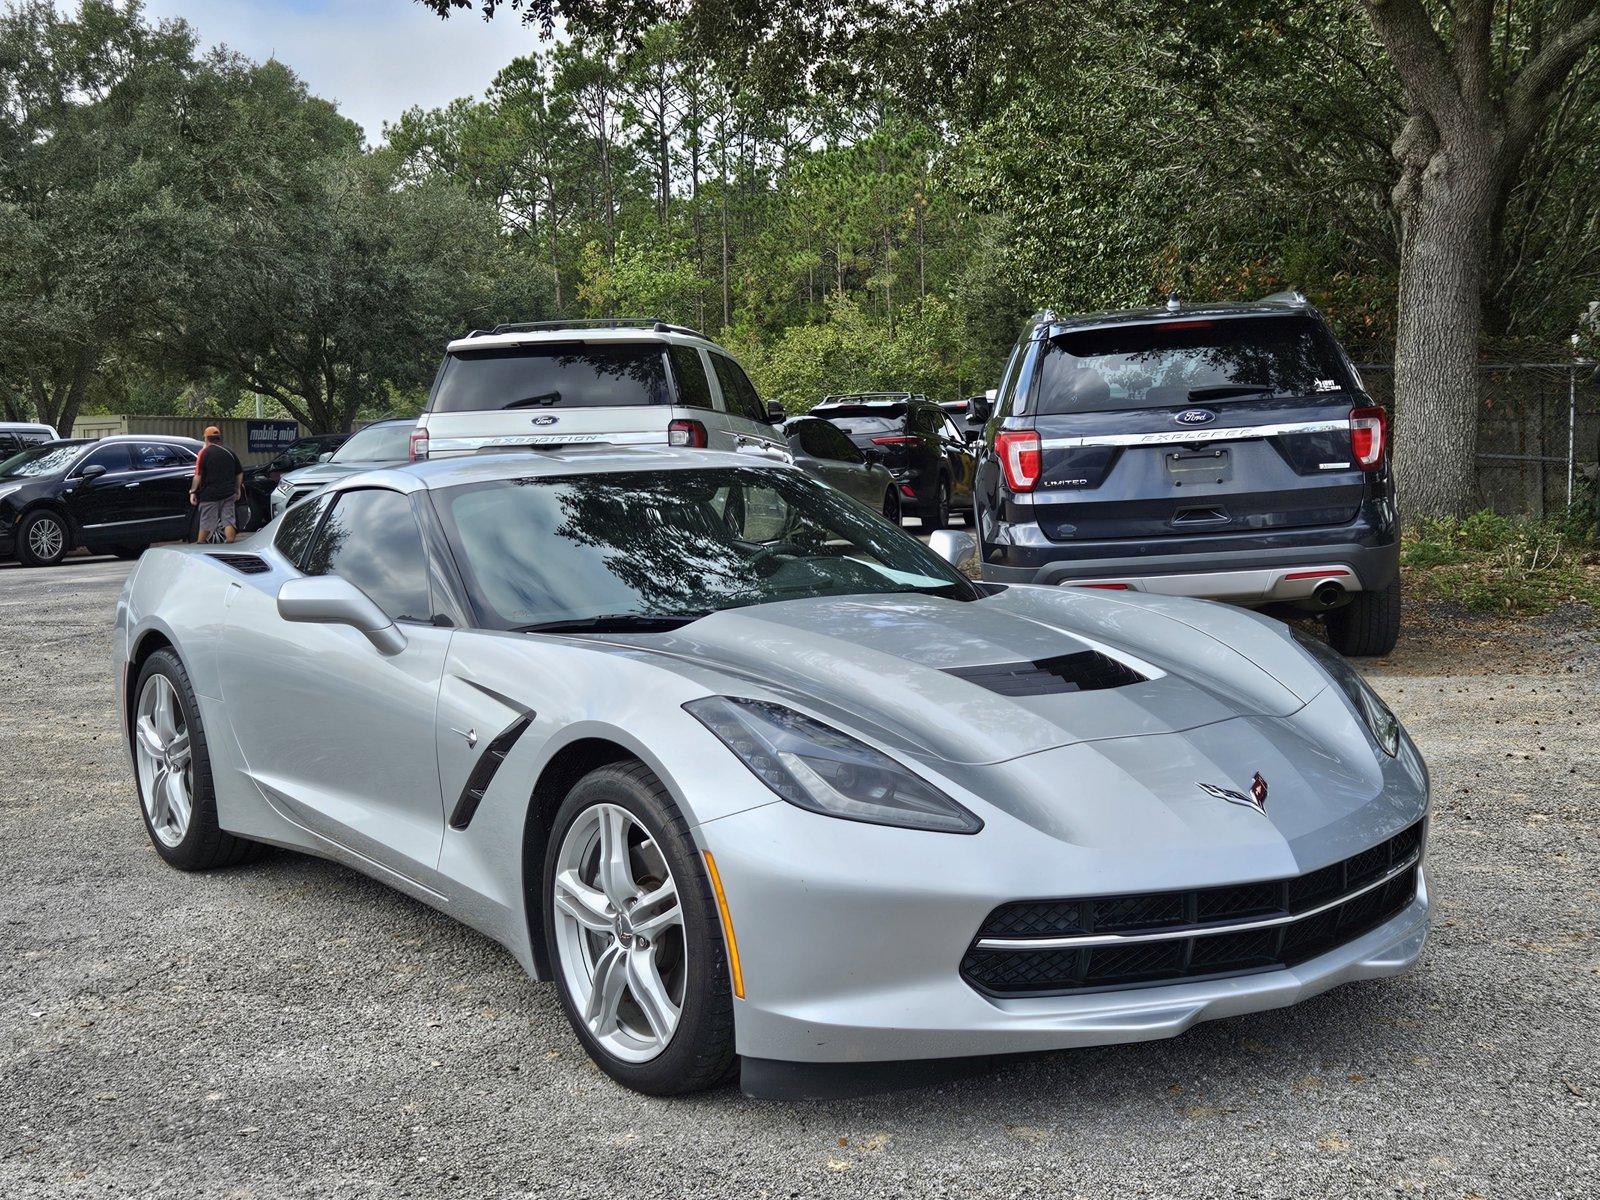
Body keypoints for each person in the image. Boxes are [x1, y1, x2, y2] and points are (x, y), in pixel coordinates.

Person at [190, 426, 244, 544]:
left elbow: (198, 475)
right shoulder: (229, 452)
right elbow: (239, 473)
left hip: (210, 495)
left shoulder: (203, 453)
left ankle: (201, 543)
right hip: (229, 493)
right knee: (228, 519)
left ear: (206, 438)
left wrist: (193, 491)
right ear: (218, 438)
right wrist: (237, 488)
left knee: (206, 521)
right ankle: (230, 542)